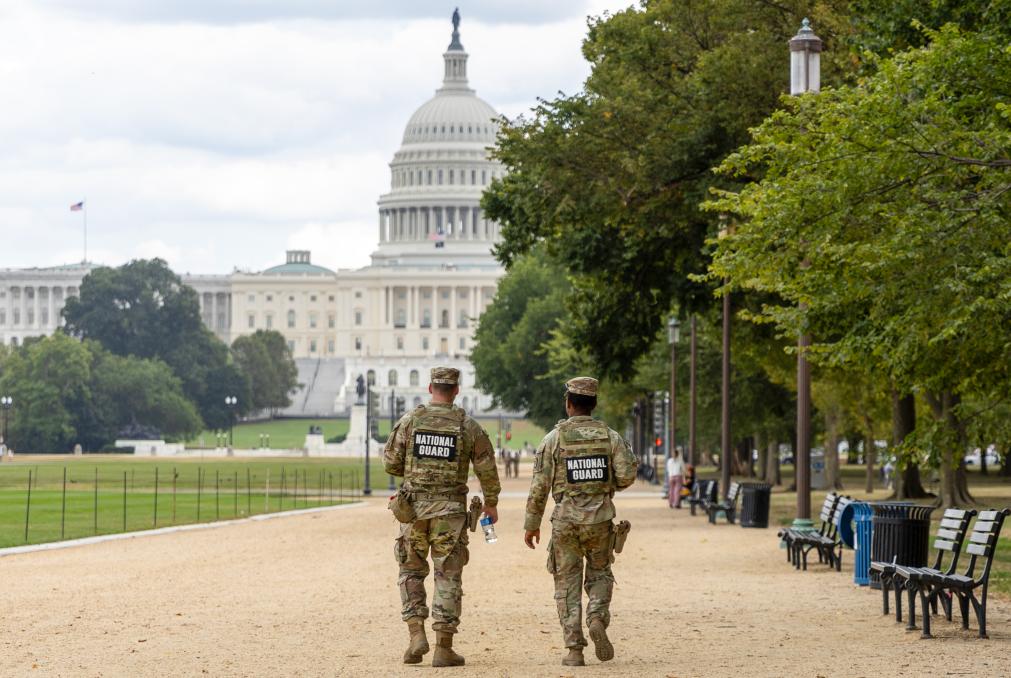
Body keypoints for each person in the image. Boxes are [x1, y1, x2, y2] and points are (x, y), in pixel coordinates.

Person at [384, 367, 501, 667]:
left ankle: (416, 635)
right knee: (448, 575)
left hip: (413, 510)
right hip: (450, 512)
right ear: (456, 391)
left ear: (430, 388)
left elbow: (391, 464)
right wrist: (491, 503)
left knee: (410, 571)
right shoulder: (467, 426)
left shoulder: (410, 421)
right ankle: (443, 647)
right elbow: (487, 468)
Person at [523, 377, 637, 666]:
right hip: (600, 520)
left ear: (569, 404)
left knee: (566, 584)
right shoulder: (610, 437)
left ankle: (574, 650)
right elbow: (627, 475)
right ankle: (597, 617)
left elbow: (539, 486)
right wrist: (605, 487)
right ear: (594, 404)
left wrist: (532, 524)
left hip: (566, 521)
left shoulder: (554, 438)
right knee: (600, 573)